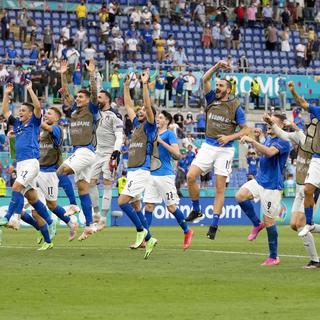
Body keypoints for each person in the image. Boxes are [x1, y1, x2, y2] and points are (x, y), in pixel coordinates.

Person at [185, 60, 247, 239]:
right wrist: (217, 66)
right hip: (208, 145)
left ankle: (213, 225)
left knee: (219, 189)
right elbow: (205, 78)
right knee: (190, 176)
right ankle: (196, 210)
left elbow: (245, 130)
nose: (217, 87)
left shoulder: (236, 106)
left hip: (225, 150)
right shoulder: (211, 98)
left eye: (220, 85)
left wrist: (229, 137)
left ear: (228, 90)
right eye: (216, 85)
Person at [0, 81, 56, 251]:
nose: (20, 113)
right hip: (22, 164)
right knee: (33, 199)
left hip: (32, 163)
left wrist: (30, 89)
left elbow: (38, 107)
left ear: (31, 114)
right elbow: (5, 111)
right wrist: (6, 93)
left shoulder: (34, 123)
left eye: (23, 111)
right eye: (20, 111)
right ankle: (48, 236)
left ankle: (9, 216)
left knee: (16, 187)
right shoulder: (17, 125)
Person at [266, 111, 320, 268]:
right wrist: (272, 124)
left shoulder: (310, 140)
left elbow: (301, 136)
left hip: (310, 186)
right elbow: (284, 134)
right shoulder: (300, 137)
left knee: (301, 223)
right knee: (294, 224)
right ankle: (315, 259)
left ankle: (315, 260)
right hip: (299, 187)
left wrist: (295, 127)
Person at [236, 114, 290, 266]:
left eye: (273, 121)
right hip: (259, 180)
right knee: (240, 196)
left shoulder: (284, 141)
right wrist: (259, 140)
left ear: (281, 126)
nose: (268, 123)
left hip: (272, 186)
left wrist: (252, 140)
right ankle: (255, 224)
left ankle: (274, 257)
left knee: (270, 222)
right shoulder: (269, 138)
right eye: (268, 121)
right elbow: (262, 152)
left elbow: (270, 153)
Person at [57, 60, 99, 241]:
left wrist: (91, 73)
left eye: (81, 97)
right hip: (80, 152)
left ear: (88, 100)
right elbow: (65, 95)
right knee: (83, 188)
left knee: (60, 172)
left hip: (85, 151)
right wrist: (62, 74)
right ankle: (89, 225)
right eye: (78, 97)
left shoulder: (91, 108)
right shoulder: (74, 111)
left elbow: (95, 93)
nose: (78, 99)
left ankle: (73, 205)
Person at [118, 71, 157, 259]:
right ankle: (149, 238)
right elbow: (127, 105)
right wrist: (126, 86)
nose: (140, 111)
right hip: (133, 171)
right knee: (135, 207)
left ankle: (141, 230)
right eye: (139, 110)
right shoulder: (135, 126)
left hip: (142, 170)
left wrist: (144, 85)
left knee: (122, 201)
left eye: (143, 111)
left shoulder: (150, 126)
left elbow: (148, 106)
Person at [143, 110, 194, 250]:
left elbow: (177, 153)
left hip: (165, 175)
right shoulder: (152, 134)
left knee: (171, 207)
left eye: (160, 117)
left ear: (167, 121)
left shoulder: (169, 134)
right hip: (151, 174)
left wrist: (160, 142)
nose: (157, 119)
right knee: (148, 206)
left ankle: (187, 231)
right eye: (157, 117)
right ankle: (146, 238)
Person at [35, 106, 79, 242]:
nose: (46, 115)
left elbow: (48, 128)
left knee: (51, 205)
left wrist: (35, 119)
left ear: (57, 118)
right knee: (35, 207)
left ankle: (70, 222)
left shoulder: (57, 129)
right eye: (45, 113)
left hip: (50, 172)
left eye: (49, 113)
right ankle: (45, 229)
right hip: (37, 171)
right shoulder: (41, 132)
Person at [89, 63, 123, 231]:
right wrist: (95, 78)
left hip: (110, 152)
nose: (97, 100)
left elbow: (119, 135)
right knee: (91, 182)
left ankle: (103, 217)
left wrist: (116, 152)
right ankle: (96, 214)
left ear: (107, 99)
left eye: (101, 98)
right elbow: (96, 93)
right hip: (98, 152)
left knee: (108, 183)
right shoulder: (97, 112)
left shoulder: (114, 116)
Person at [289, 83, 320, 244]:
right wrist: (293, 91)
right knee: (308, 190)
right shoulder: (318, 111)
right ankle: (309, 223)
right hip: (317, 158)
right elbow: (302, 104)